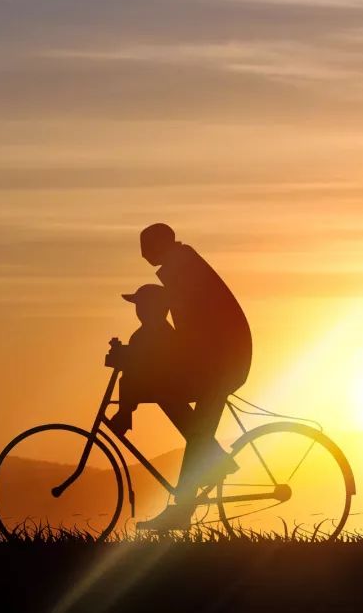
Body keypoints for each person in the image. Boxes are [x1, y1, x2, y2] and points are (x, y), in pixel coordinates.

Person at [134, 222, 253, 531]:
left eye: (145, 246)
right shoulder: (182, 265)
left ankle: (189, 499)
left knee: (195, 431)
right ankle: (210, 467)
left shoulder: (181, 270)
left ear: (158, 245)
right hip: (218, 359)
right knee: (179, 411)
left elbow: (191, 328)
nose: (142, 254)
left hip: (221, 364)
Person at [105, 283, 180, 437]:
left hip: (162, 383)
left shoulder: (158, 332)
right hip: (159, 381)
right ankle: (124, 416)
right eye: (138, 307)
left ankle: (123, 417)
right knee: (126, 381)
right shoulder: (149, 332)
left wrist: (121, 353)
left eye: (143, 306)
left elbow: (147, 357)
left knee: (127, 382)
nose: (139, 311)